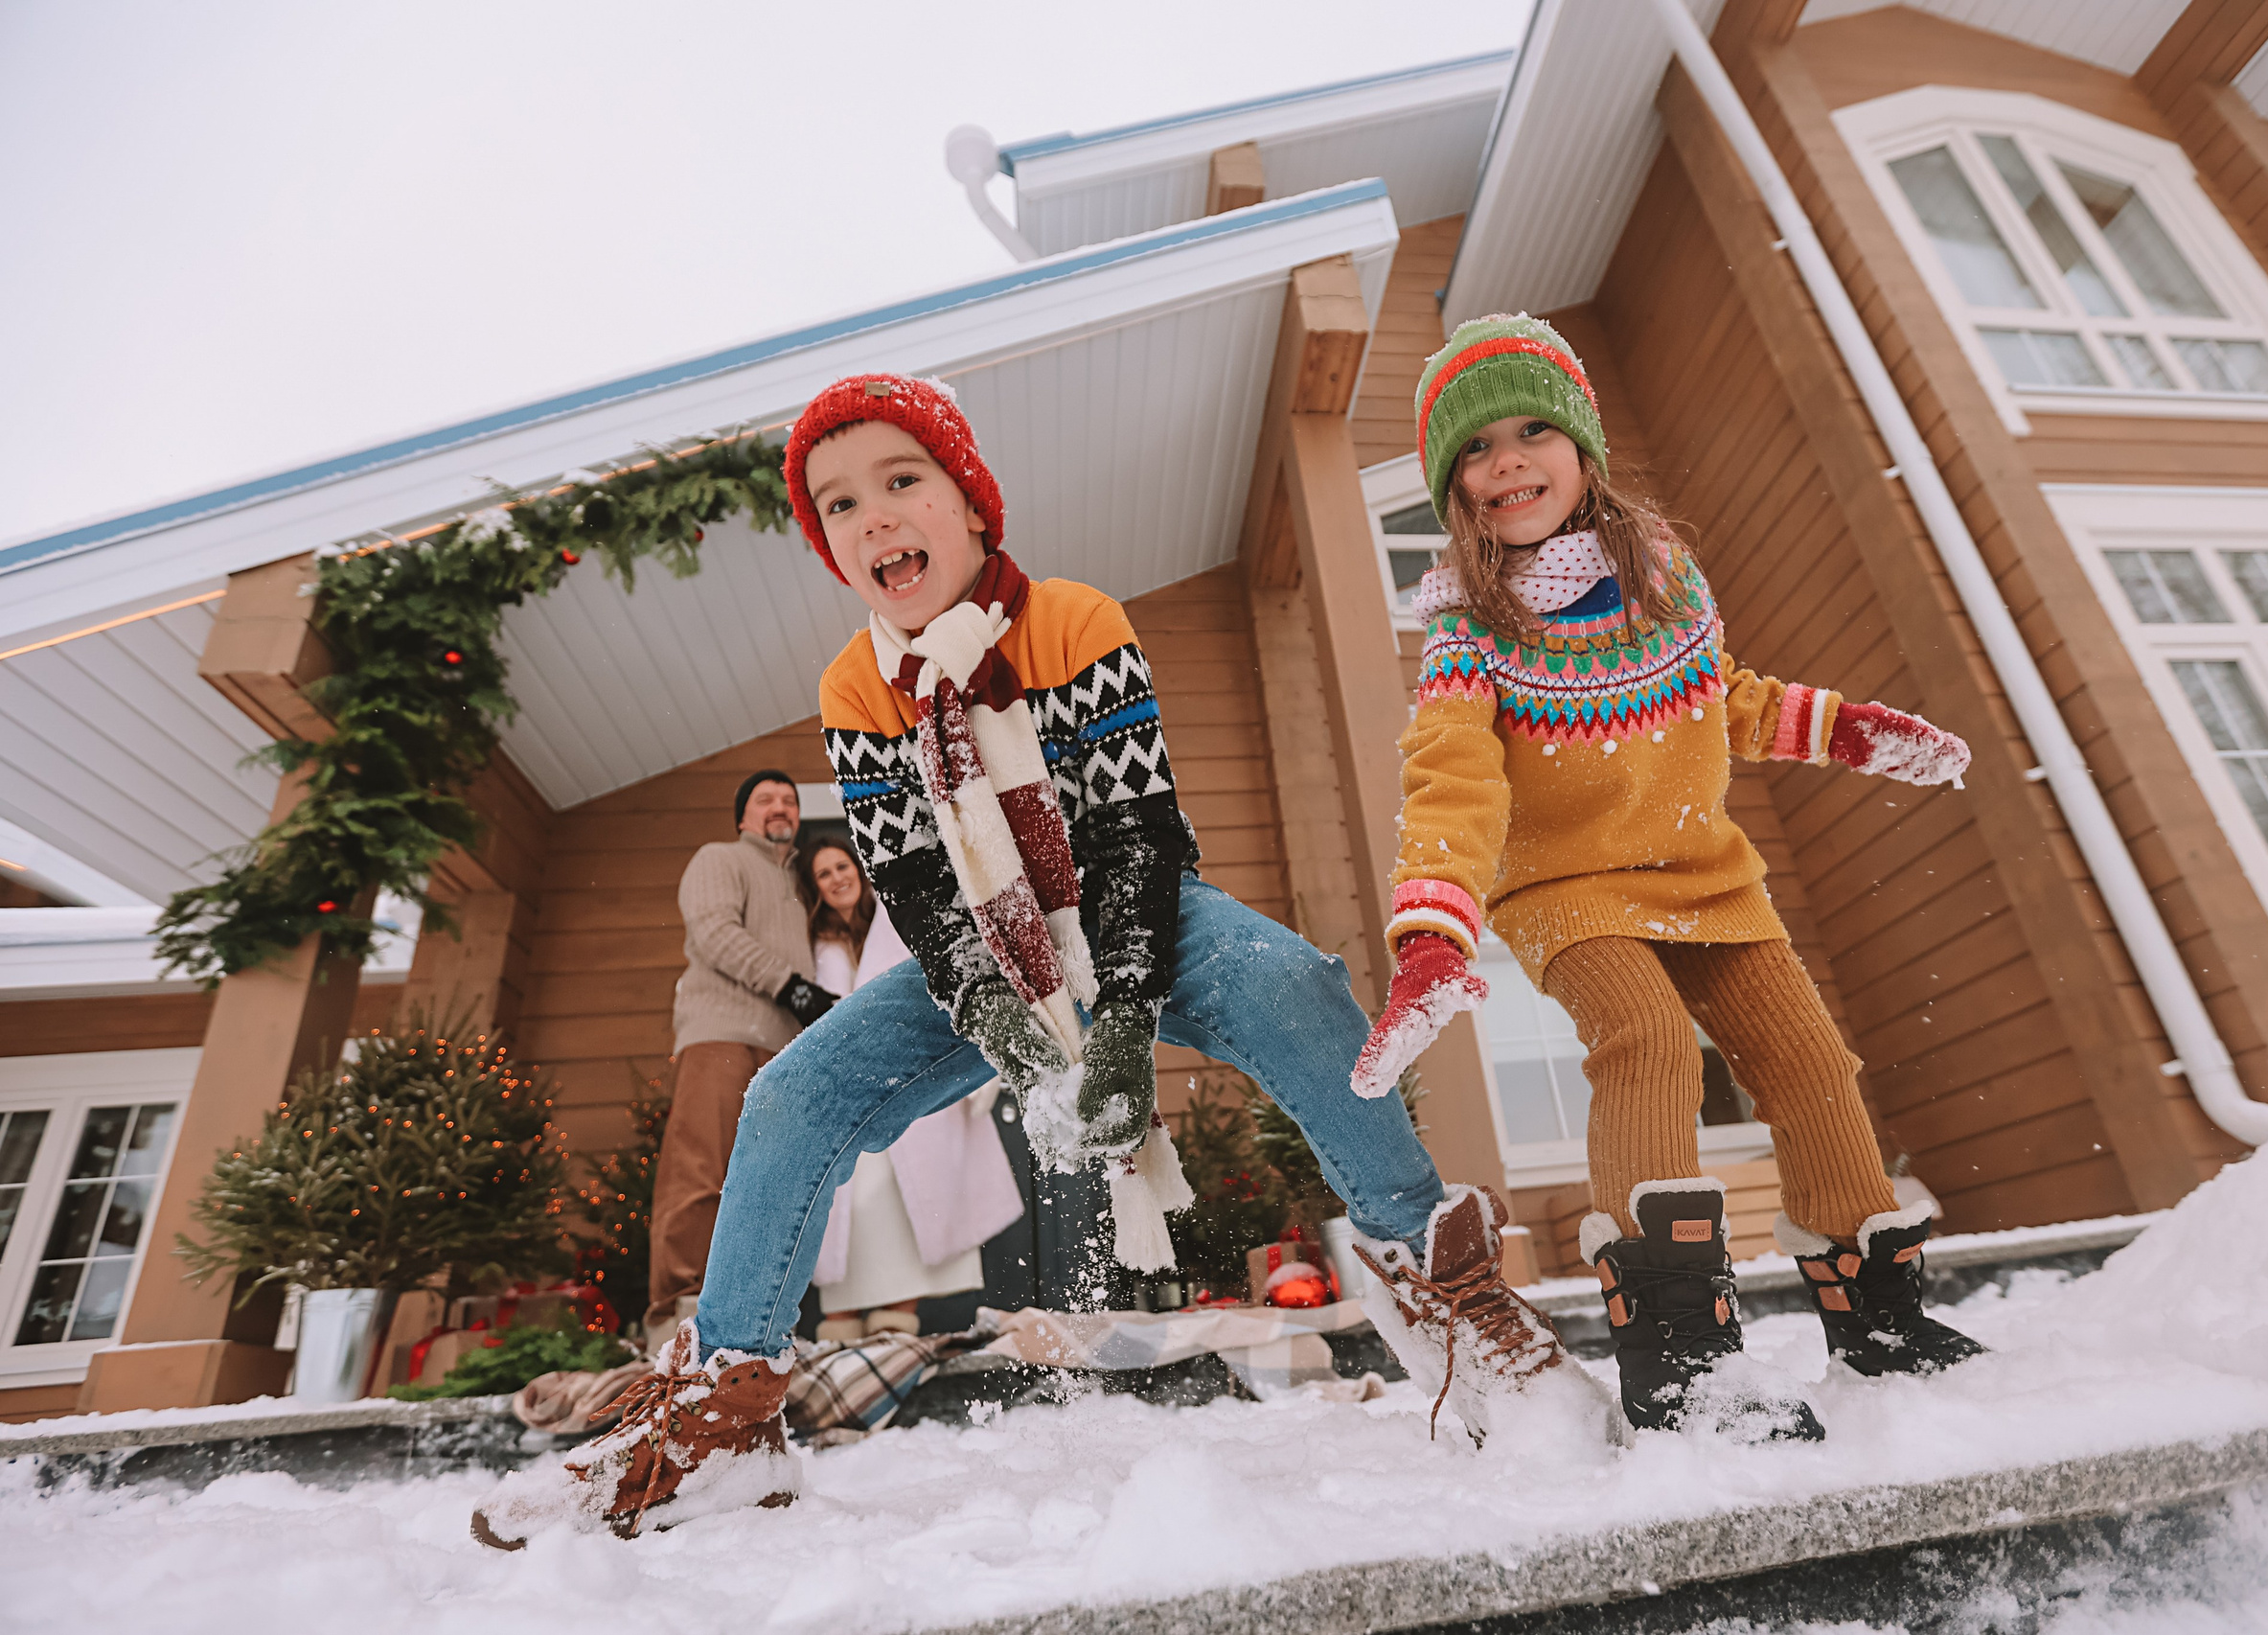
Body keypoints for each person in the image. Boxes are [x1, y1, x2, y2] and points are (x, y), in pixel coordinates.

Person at [472, 373, 1610, 1548]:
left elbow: (1134, 835)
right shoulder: (857, 688)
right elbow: (913, 882)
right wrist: (1010, 1027)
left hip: (1137, 915)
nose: (873, 516)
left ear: (969, 504)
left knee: (1291, 985)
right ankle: (720, 1414)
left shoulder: (1072, 619)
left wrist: (1116, 1022)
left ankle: (1449, 1291)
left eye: (900, 480)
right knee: (790, 1092)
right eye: (838, 504)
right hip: (979, 952)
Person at [1352, 315, 1986, 1443]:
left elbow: (1721, 695)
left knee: (1810, 1062)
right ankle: (1681, 1353)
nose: (1508, 462)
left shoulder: (1663, 576)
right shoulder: (1466, 627)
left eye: (1531, 431)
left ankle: (1879, 1314)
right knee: (1641, 1038)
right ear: (1454, 486)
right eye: (1477, 448)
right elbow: (1447, 778)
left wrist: (1838, 728)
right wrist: (1433, 931)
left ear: (1581, 448)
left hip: (1708, 873)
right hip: (1568, 888)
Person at [795, 836, 1022, 1339]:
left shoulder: (899, 926)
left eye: (841, 866)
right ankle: (844, 1354)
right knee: (852, 1228)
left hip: (908, 1095)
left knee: (909, 1217)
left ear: (859, 869)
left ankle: (893, 1347)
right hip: (847, 1106)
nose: (837, 878)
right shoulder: (813, 949)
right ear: (815, 890)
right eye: (823, 874)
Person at [646, 771, 833, 1354]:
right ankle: (674, 1314)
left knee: (763, 1183)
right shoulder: (720, 858)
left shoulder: (801, 887)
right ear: (742, 817)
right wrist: (791, 987)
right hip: (722, 1035)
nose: (780, 807)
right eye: (765, 800)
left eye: (789, 800)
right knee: (701, 1168)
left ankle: (749, 1322)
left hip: (783, 1050)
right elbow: (713, 933)